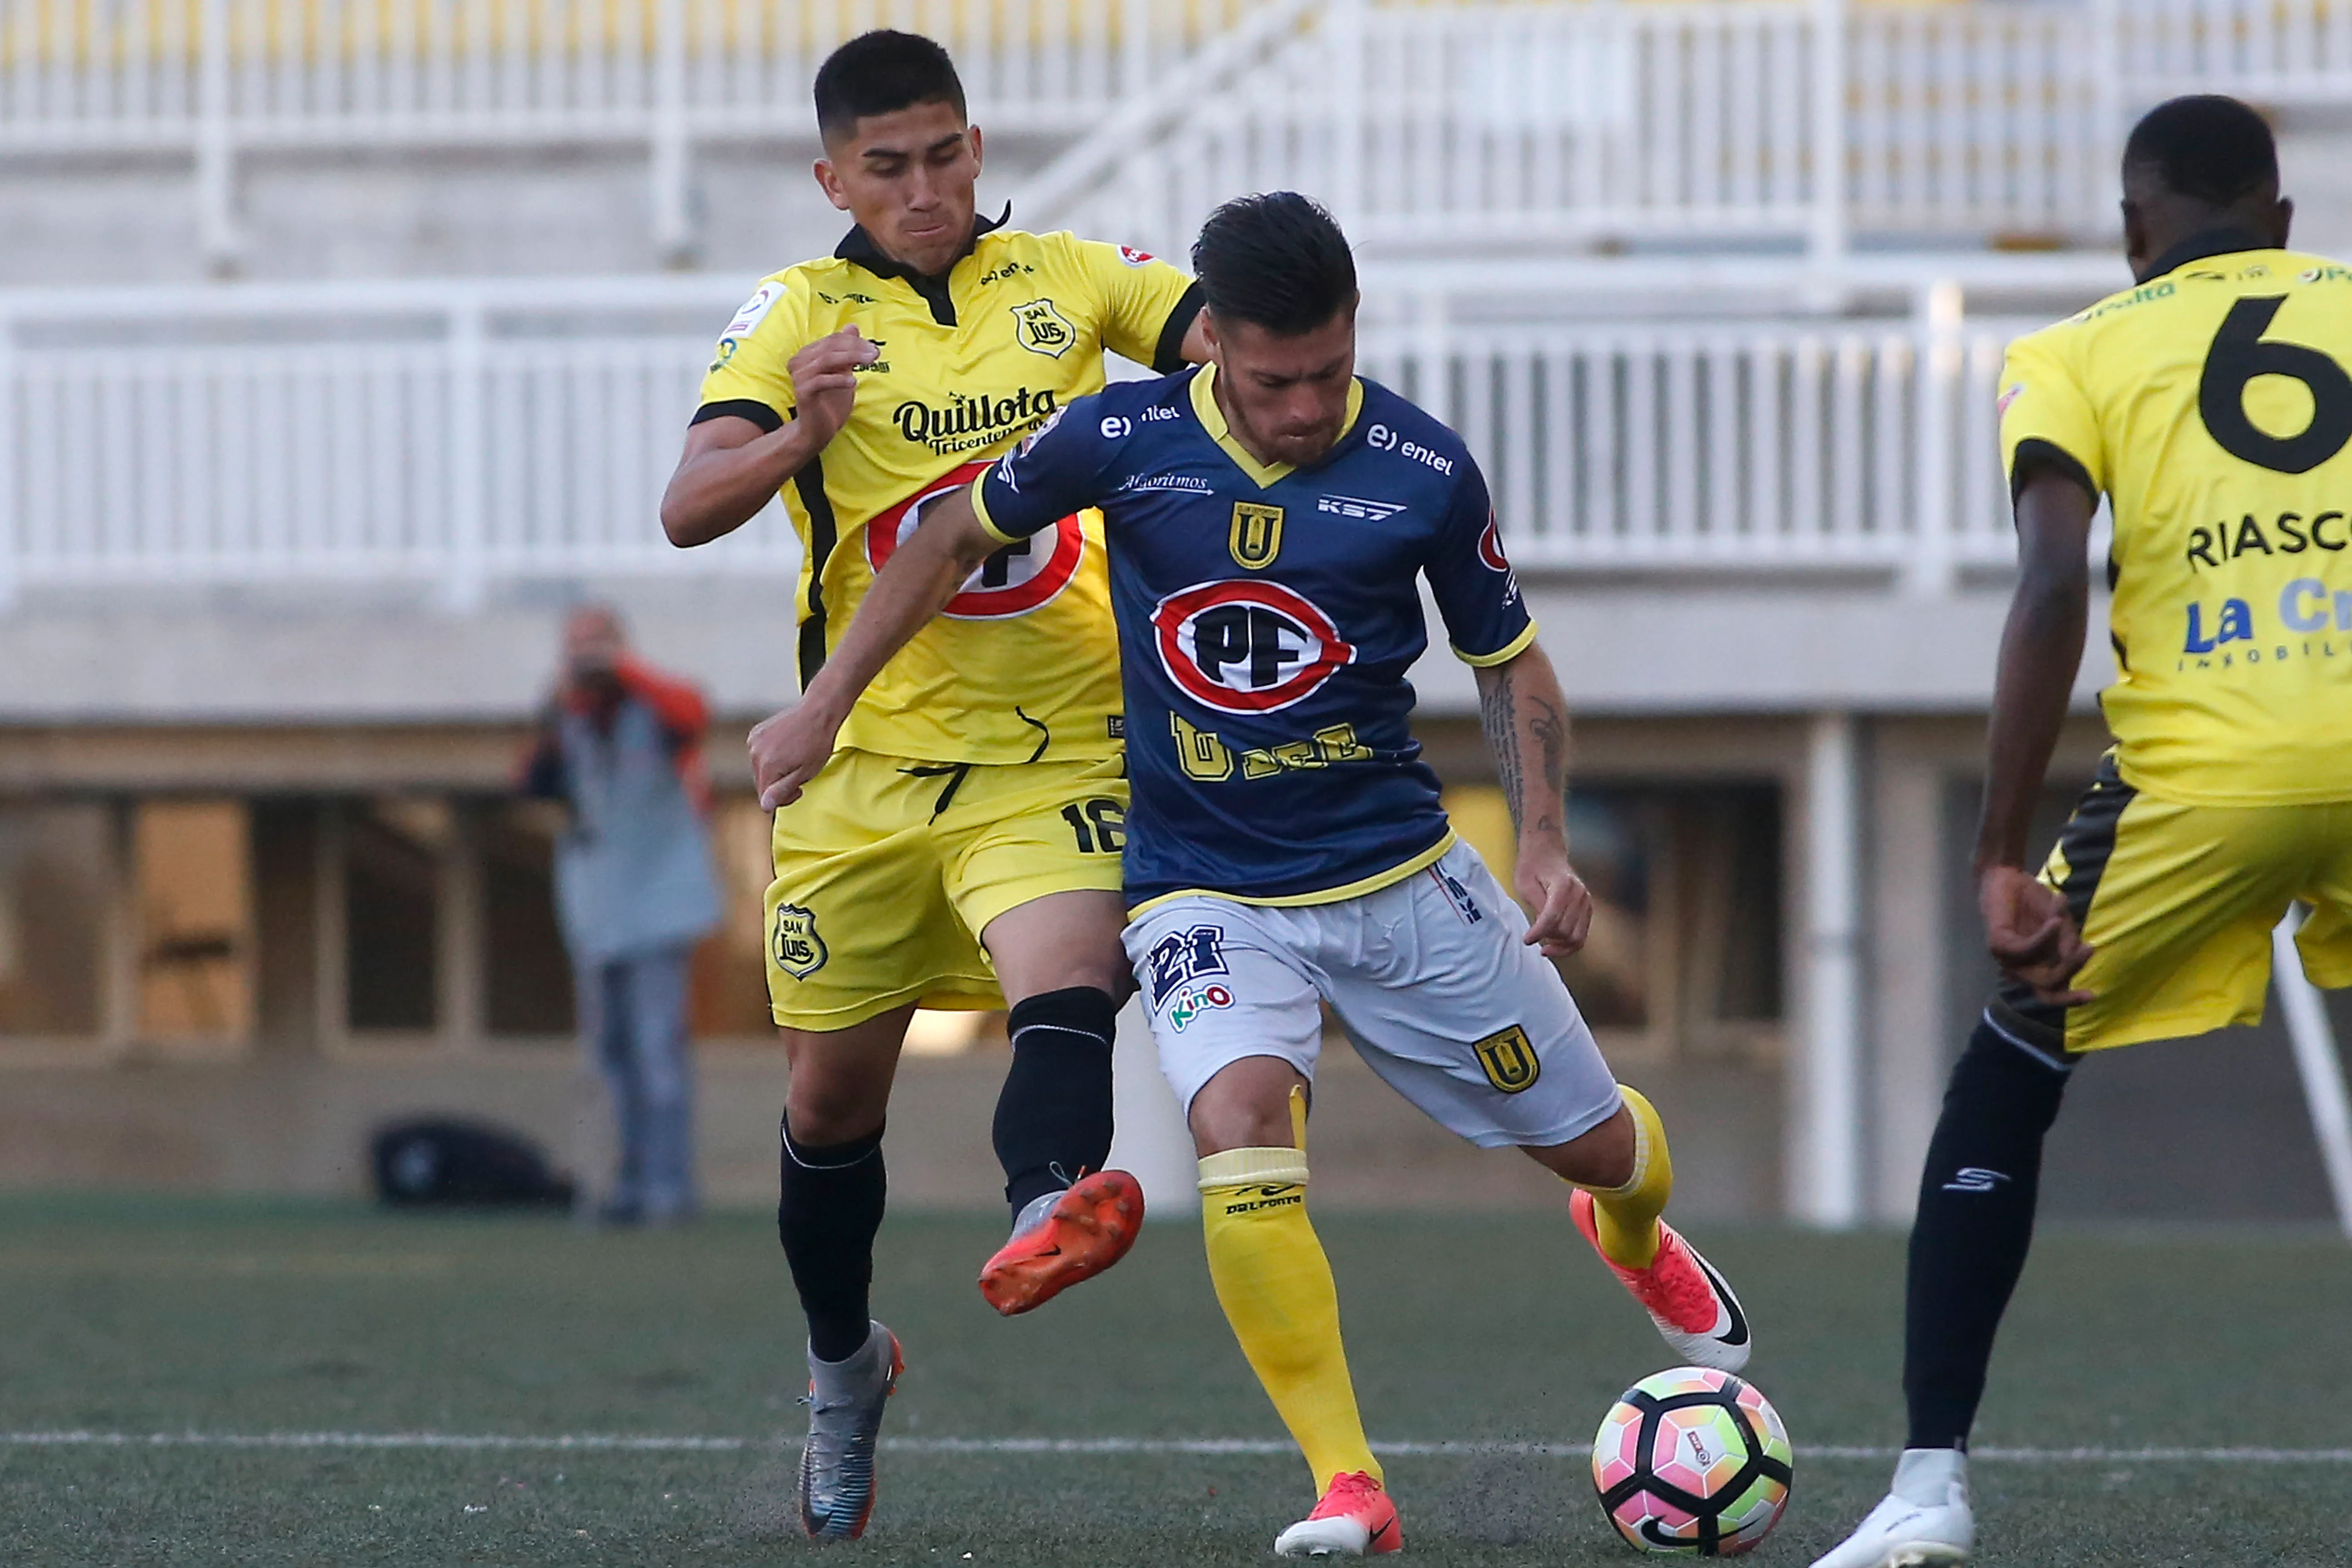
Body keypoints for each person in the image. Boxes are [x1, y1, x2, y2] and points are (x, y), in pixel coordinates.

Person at [754, 191, 1754, 1558]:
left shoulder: (1423, 468)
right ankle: (1349, 1484)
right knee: (1238, 1125)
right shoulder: (1122, 438)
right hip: (1203, 887)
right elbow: (943, 539)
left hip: (1398, 877)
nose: (1306, 409)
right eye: (1277, 382)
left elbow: (1508, 661)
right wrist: (824, 707)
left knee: (1600, 1147)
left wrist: (1540, 842)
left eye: (1331, 373)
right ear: (1212, 340)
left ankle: (1629, 1230)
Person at [657, 29, 1210, 1540]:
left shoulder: (1075, 280)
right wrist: (798, 435)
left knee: (1069, 972)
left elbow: (1236, 345)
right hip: (861, 768)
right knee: (831, 1105)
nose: (923, 189)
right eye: (886, 167)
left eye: (944, 155)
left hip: (1057, 747)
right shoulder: (797, 312)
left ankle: (1049, 1204)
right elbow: (687, 507)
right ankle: (845, 1365)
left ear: (978, 146)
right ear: (832, 179)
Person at [1811, 96, 2352, 1568]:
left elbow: (2053, 582)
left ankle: (1929, 1483)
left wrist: (1999, 851)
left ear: (2130, 230)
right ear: (2283, 222)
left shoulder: (2072, 353)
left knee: (2012, 1063)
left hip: (2208, 773)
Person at [519, 604, 721, 1227]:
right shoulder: (568, 715)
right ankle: (620, 1184)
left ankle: (669, 1189)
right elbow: (531, 780)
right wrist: (563, 700)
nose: (587, 658)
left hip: (660, 901)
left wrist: (624, 672)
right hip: (598, 907)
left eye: (596, 644)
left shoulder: (655, 703)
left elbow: (693, 715)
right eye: (576, 646)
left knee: (658, 1049)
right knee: (607, 1057)